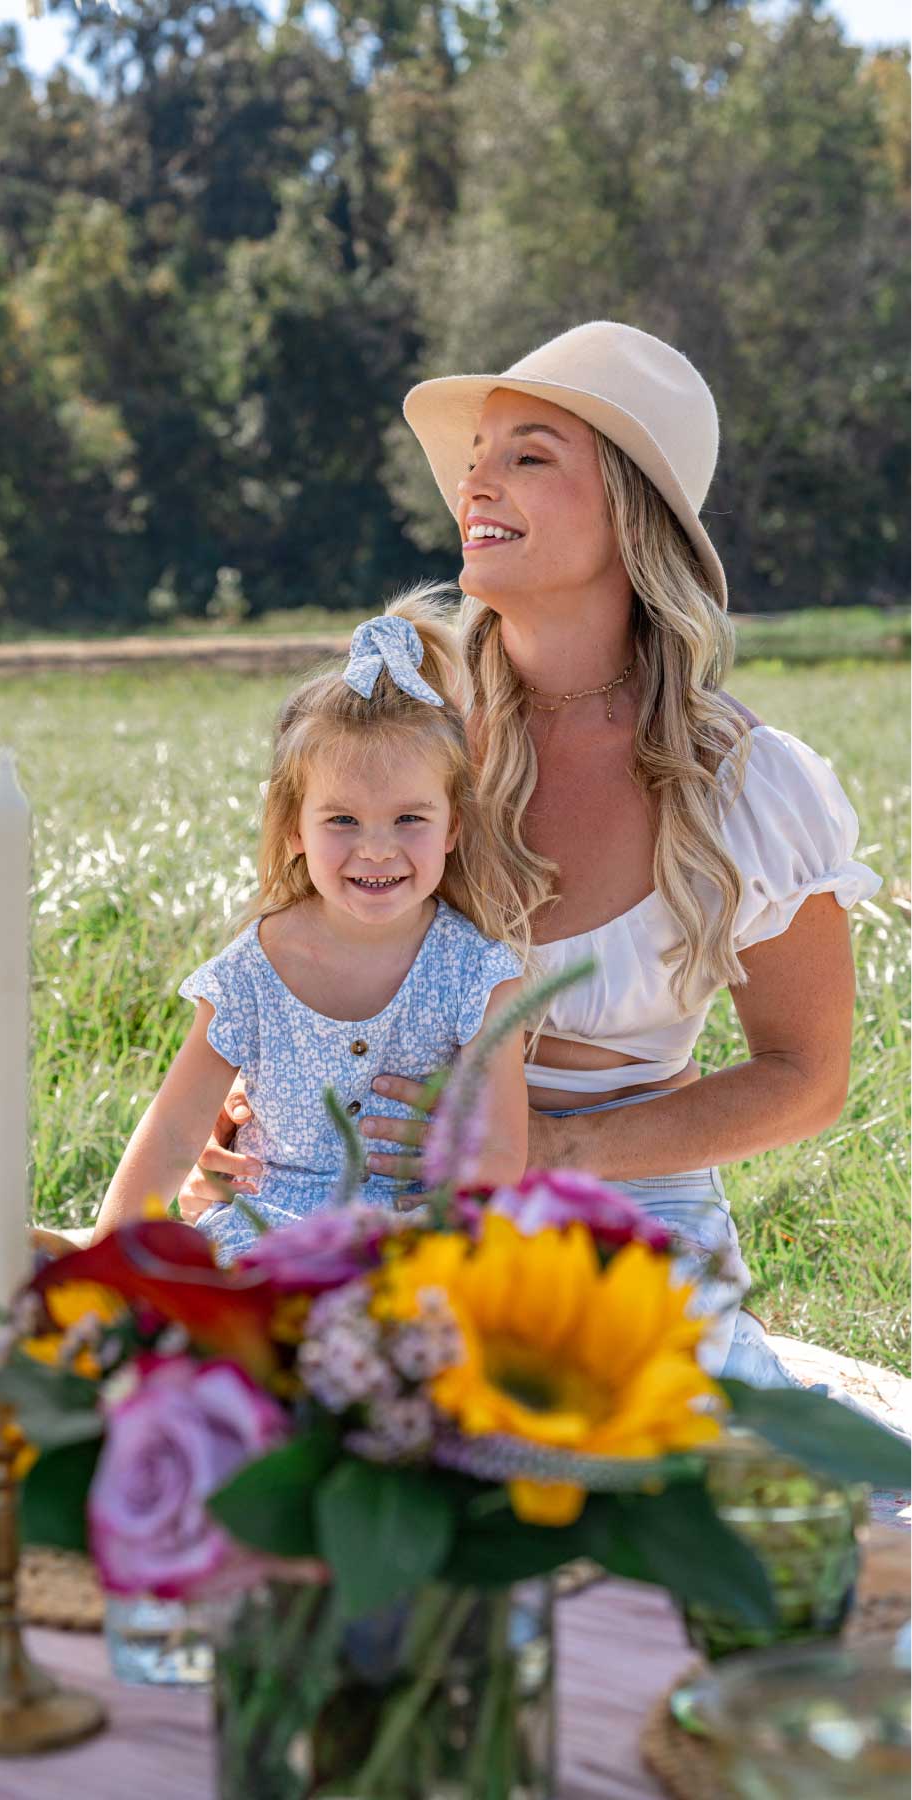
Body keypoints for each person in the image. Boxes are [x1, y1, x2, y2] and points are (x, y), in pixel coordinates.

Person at [178, 320, 880, 1381]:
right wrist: (255, 1108)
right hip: (375, 1190)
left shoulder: (743, 783)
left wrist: (548, 1151)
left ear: (630, 516)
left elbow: (806, 1079)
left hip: (618, 1210)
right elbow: (296, 963)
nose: (476, 485)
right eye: (476, 459)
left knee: (572, 1438)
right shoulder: (405, 733)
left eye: (528, 457)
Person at [92, 589, 529, 1262]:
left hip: (409, 1236)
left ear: (453, 827)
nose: (376, 849)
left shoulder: (477, 974)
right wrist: (104, 1261)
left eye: (409, 819)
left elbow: (499, 1154)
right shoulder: (252, 970)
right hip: (265, 1231)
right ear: (294, 827)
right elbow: (173, 1133)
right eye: (342, 820)